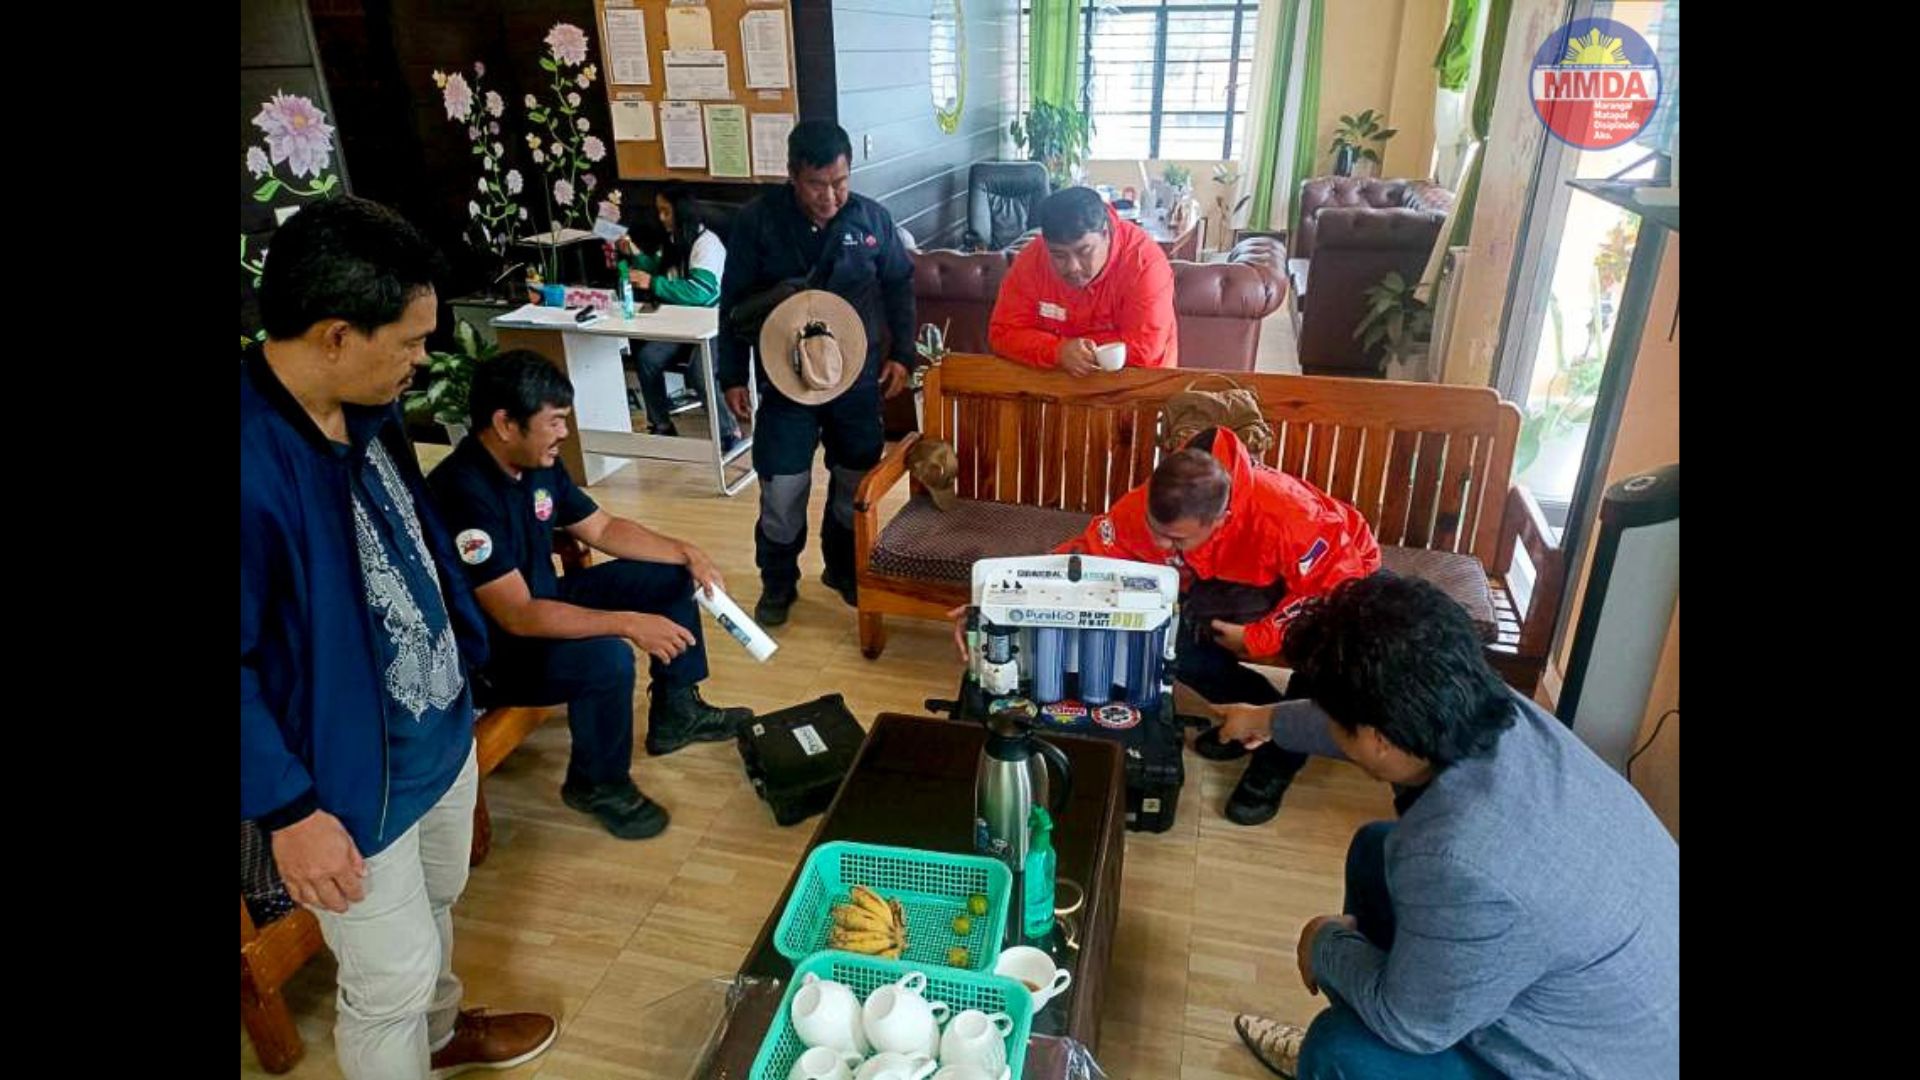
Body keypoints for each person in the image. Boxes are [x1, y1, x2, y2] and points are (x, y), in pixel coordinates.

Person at [241, 196, 556, 1078]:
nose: (423, 361)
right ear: (337, 334)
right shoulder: (250, 460)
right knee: (390, 981)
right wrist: (291, 814)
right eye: (411, 342)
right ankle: (413, 1031)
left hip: (437, 731)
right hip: (342, 782)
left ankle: (445, 1033)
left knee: (443, 903)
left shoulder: (363, 406)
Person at [1217, 574, 1680, 1080]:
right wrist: (1265, 719)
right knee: (1376, 851)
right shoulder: (1488, 704)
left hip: (1585, 1065)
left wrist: (1323, 943)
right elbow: (1363, 714)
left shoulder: (1463, 857)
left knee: (1340, 1050)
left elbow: (1414, 1024)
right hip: (1607, 1004)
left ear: (1377, 741)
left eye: (1336, 721)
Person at [950, 427, 1380, 824]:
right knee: (1179, 637)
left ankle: (1280, 758)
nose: (1158, 545)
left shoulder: (1287, 517)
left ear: (1220, 520)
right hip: (1230, 576)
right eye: (1156, 530)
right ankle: (1253, 715)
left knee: (1324, 648)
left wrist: (1259, 635)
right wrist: (992, 601)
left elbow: (1335, 588)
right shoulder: (1147, 507)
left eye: (1175, 540)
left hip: (1335, 579)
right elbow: (1087, 559)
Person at [427, 351, 753, 840]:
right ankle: (596, 784)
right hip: (497, 652)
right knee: (608, 659)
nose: (564, 433)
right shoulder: (462, 491)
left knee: (667, 576)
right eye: (554, 422)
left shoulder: (536, 463)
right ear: (505, 424)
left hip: (545, 599)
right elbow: (517, 615)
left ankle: (677, 712)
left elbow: (602, 526)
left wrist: (687, 552)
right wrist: (626, 622)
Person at [715, 120, 920, 627]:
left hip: (857, 380)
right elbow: (733, 302)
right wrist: (731, 376)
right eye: (816, 184)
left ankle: (842, 569)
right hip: (784, 383)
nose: (830, 195)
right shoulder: (757, 222)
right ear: (792, 175)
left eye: (840, 181)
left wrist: (905, 356)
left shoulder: (873, 219)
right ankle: (778, 581)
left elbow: (899, 286)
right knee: (783, 487)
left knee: (853, 483)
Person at [987, 185, 1179, 372]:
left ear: (1105, 234)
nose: (1073, 267)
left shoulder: (1144, 263)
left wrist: (1075, 349)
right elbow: (1003, 333)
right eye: (1059, 256)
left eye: (1084, 251)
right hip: (1057, 387)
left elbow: (1144, 350)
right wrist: (1058, 351)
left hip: (1139, 388)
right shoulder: (1032, 259)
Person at [612, 184, 741, 447]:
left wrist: (653, 283)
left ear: (680, 212)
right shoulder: (674, 242)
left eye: (666, 212)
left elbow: (701, 293)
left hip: (715, 324)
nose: (661, 218)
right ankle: (661, 424)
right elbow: (663, 271)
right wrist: (632, 256)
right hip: (682, 324)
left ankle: (729, 431)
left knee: (699, 372)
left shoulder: (707, 245)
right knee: (648, 359)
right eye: (659, 212)